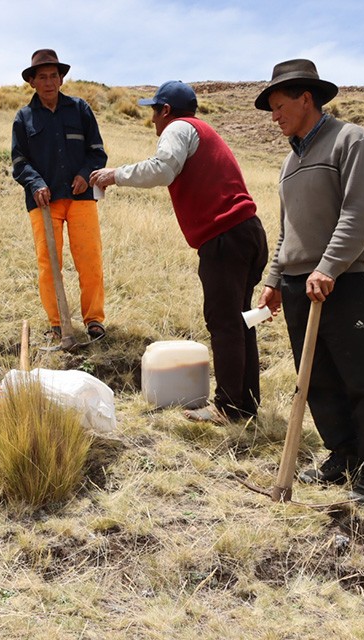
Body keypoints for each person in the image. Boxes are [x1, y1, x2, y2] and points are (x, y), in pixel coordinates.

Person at [255, 59, 364, 504]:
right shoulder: (287, 164)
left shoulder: (351, 140)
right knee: (314, 378)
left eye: (280, 106)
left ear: (306, 99)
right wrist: (275, 279)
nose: (275, 116)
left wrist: (328, 267)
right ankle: (343, 451)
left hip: (344, 281)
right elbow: (287, 231)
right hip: (300, 286)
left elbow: (359, 214)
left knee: (360, 374)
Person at [89, 81, 268, 423]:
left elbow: (162, 168)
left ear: (166, 110)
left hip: (224, 236)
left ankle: (229, 407)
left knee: (225, 322)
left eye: (154, 111)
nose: (153, 120)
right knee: (240, 320)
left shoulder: (178, 128)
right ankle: (245, 404)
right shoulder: (203, 130)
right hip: (247, 232)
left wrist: (115, 175)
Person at [12, 49, 108, 340]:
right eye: (42, 77)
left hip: (81, 198)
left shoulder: (80, 109)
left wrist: (83, 174)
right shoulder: (24, 117)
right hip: (44, 202)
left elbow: (97, 153)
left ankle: (94, 320)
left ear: (62, 79)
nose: (49, 82)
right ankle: (58, 323)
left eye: (54, 76)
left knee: (89, 260)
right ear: (32, 82)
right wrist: (36, 182)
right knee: (49, 263)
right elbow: (19, 162)